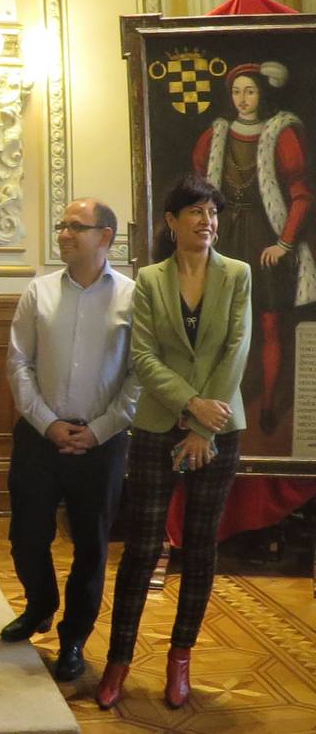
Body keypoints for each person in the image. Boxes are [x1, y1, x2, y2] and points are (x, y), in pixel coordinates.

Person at [97, 174, 250, 711]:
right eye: (195, 212)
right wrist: (190, 406)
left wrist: (205, 428)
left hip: (219, 432)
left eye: (212, 212)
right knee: (141, 549)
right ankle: (119, 659)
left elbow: (237, 349)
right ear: (171, 221)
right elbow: (142, 358)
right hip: (159, 427)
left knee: (201, 549)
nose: (206, 221)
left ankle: (179, 659)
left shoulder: (238, 275)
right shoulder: (149, 281)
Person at [3, 197, 139, 680]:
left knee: (91, 545)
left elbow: (140, 375)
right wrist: (47, 422)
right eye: (61, 224)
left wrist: (99, 429)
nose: (63, 233)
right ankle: (39, 604)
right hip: (40, 435)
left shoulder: (133, 297)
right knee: (25, 535)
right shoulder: (37, 293)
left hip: (102, 442)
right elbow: (19, 364)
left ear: (105, 236)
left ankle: (74, 638)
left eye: (75, 227)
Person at [192, 61, 314, 433]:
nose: (242, 99)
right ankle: (228, 398)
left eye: (251, 91)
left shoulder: (283, 132)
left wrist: (284, 242)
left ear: (263, 94)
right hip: (225, 238)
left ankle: (268, 405)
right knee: (225, 325)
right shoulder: (216, 135)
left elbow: (302, 196)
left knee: (270, 324)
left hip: (266, 238)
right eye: (236, 92)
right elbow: (197, 186)